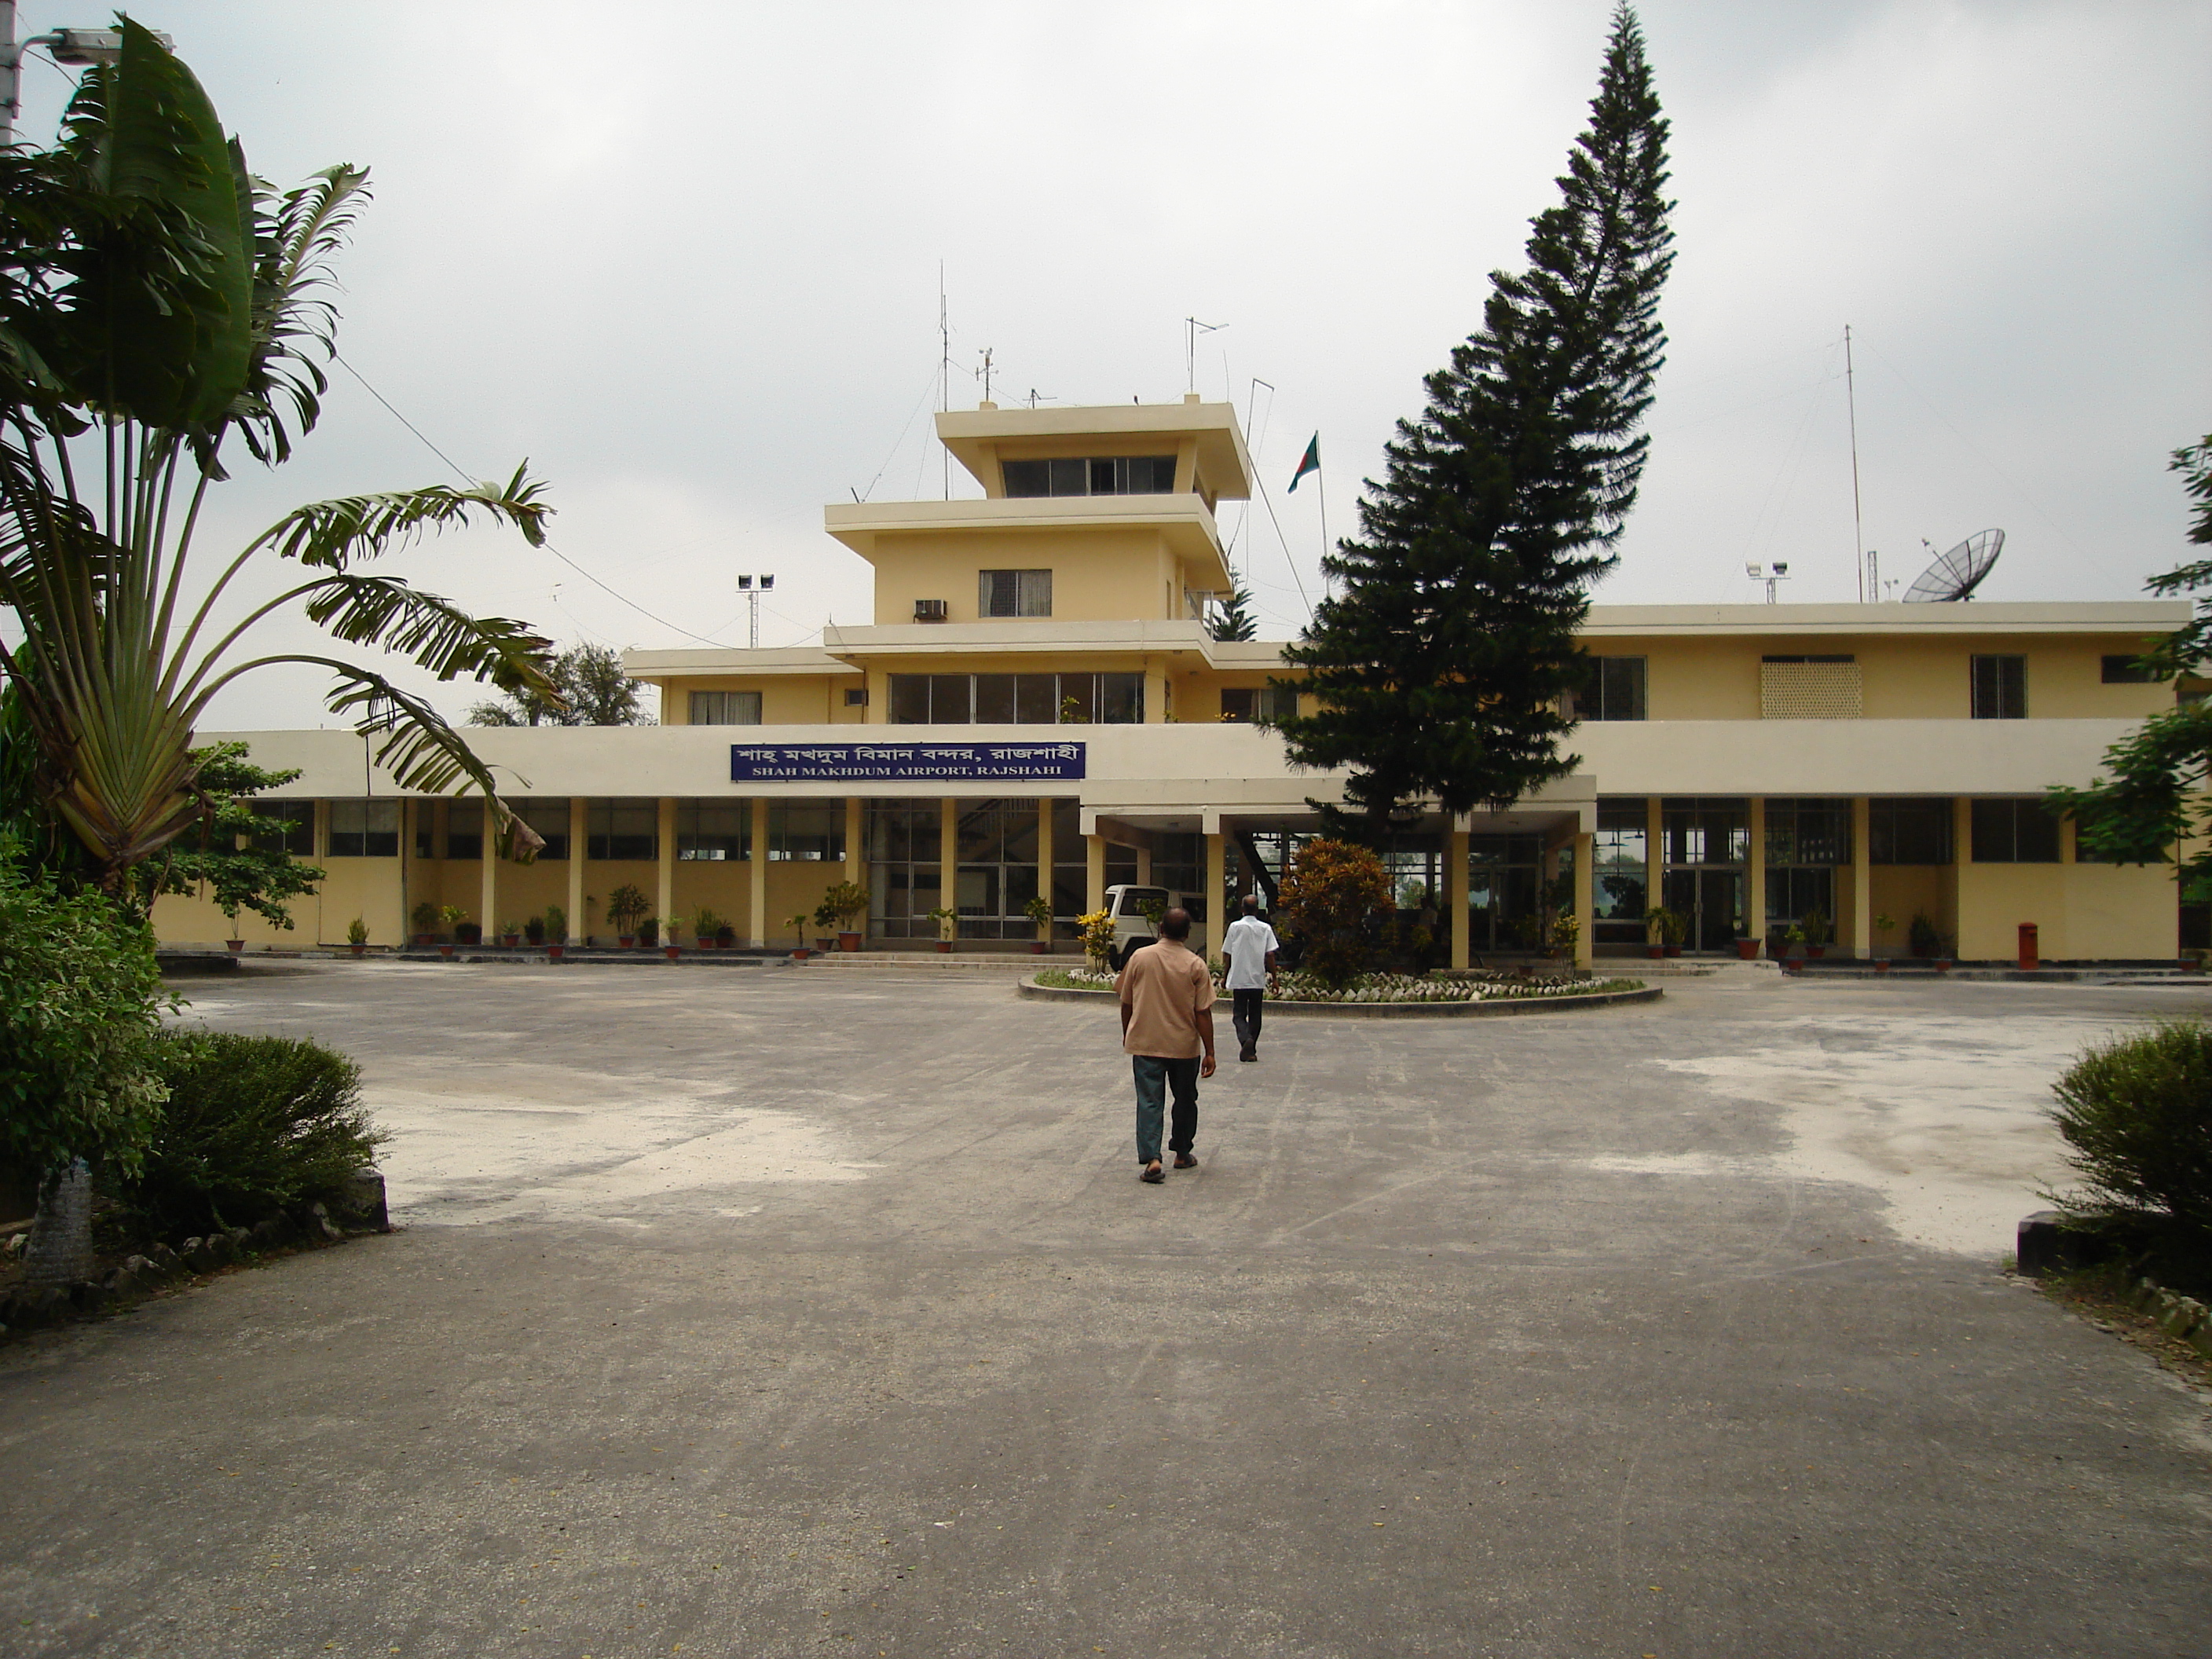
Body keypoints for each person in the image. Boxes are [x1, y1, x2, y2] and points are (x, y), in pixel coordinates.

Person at [1115, 906, 1217, 1183]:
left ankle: (1153, 1159)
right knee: (1185, 1099)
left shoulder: (1140, 957)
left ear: (1160, 928)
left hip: (1146, 1042)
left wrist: (1128, 1032)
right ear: (1187, 933)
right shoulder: (1195, 964)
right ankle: (1182, 1152)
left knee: (1149, 1101)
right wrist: (1210, 1051)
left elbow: (1126, 1001)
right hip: (1183, 1046)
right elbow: (1203, 1012)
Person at [1220, 894, 1281, 1062]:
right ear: (1257, 910)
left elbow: (1228, 954)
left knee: (1239, 1015)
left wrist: (1225, 977)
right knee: (1255, 1015)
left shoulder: (1234, 927)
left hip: (1239, 977)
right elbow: (1270, 955)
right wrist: (1274, 978)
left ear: (1242, 909)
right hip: (1257, 978)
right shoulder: (1265, 928)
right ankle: (1251, 1047)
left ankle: (1246, 1040)